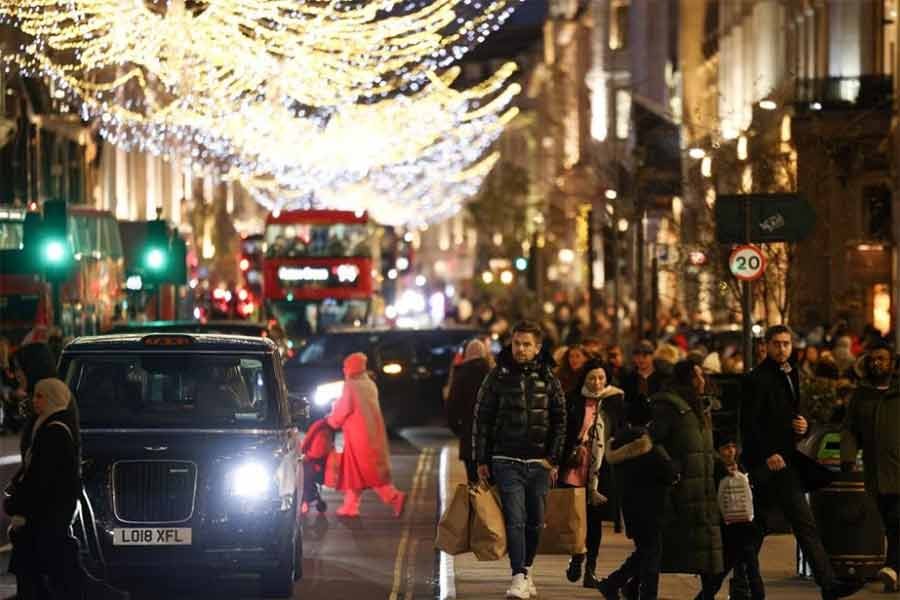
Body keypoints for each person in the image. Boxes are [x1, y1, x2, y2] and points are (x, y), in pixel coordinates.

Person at [742, 324, 861, 600]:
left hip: (786, 460)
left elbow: (793, 415)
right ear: (767, 346)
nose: (782, 349)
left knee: (759, 530)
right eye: (777, 344)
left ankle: (732, 583)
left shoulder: (792, 373)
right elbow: (749, 424)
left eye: (786, 344)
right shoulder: (757, 379)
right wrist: (766, 454)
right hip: (771, 464)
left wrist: (803, 426)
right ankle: (828, 584)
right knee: (796, 525)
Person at [473, 321, 567, 600]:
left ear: (537, 348)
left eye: (527, 344)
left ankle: (526, 569)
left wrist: (554, 458)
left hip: (539, 463)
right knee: (515, 519)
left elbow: (561, 419)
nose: (521, 349)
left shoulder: (549, 378)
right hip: (506, 459)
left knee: (535, 522)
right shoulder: (496, 377)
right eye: (517, 344)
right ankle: (517, 576)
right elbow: (482, 418)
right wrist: (481, 458)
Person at [6, 378, 83, 598]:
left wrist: (16, 505)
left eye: (41, 396)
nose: (35, 400)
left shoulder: (54, 430)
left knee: (38, 571)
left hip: (45, 515)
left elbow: (41, 478)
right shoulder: (51, 423)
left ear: (54, 398)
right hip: (50, 512)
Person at [651, 361, 724, 590]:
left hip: (702, 489)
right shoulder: (672, 407)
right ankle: (624, 583)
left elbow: (702, 447)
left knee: (705, 552)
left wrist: (724, 463)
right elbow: (653, 440)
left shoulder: (699, 407)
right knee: (669, 548)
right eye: (697, 377)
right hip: (683, 489)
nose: (702, 381)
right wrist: (670, 466)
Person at [597, 395, 678, 599]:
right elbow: (669, 473)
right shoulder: (649, 445)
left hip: (630, 508)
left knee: (644, 551)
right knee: (652, 555)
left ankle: (613, 584)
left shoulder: (617, 443)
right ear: (649, 419)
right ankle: (645, 594)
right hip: (654, 507)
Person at [841, 342, 900, 593]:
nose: (877, 363)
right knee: (889, 521)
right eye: (873, 359)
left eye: (882, 359)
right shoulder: (861, 396)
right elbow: (849, 429)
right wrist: (847, 456)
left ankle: (892, 567)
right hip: (876, 472)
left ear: (892, 363)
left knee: (898, 519)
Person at [559, 362, 624, 588]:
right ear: (583, 380)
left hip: (601, 471)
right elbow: (563, 432)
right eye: (591, 379)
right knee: (577, 519)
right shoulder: (573, 400)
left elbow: (619, 432)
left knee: (594, 522)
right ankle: (577, 558)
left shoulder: (615, 401)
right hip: (576, 466)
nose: (596, 383)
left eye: (600, 378)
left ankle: (591, 570)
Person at [327, 353, 406, 518]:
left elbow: (344, 408)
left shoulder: (351, 385)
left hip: (358, 436)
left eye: (346, 366)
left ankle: (393, 496)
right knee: (354, 471)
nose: (344, 369)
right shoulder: (369, 383)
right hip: (372, 433)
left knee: (368, 471)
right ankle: (350, 506)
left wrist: (332, 420)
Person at [695, 431, 765, 600]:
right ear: (718, 451)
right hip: (729, 529)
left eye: (734, 447)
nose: (731, 451)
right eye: (726, 448)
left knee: (750, 567)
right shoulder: (715, 470)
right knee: (729, 570)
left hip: (744, 528)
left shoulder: (741, 467)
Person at [446, 339, 492, 483]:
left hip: (469, 437)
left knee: (473, 481)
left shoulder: (460, 375)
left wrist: (458, 429)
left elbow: (451, 406)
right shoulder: (493, 374)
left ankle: (474, 505)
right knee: (492, 483)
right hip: (491, 438)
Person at [620, 340, 665, 414]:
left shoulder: (662, 378)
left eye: (645, 356)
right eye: (637, 356)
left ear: (652, 356)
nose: (640, 359)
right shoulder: (628, 378)